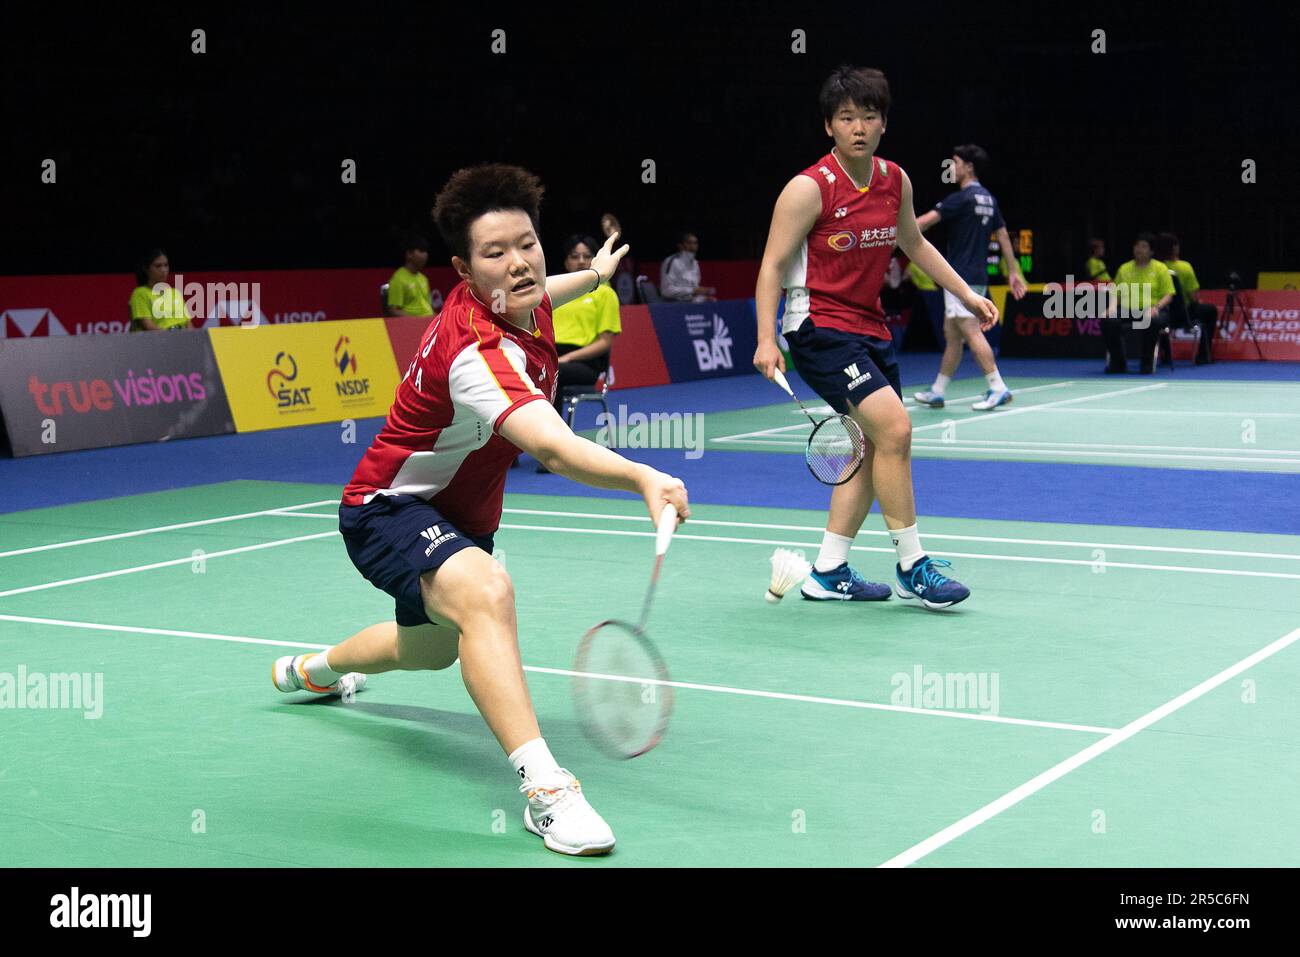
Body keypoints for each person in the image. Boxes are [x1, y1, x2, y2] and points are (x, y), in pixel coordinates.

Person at [270, 164, 689, 857]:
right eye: (495, 253)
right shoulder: (477, 351)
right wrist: (641, 473)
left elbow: (544, 290)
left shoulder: (519, 296)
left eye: (526, 243)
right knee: (487, 592)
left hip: (462, 515)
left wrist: (594, 276)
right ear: (464, 268)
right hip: (389, 506)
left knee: (426, 649)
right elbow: (553, 448)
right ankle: (547, 790)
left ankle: (316, 669)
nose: (519, 262)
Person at [753, 65, 980, 610]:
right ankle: (913, 565)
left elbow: (915, 244)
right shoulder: (809, 188)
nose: (858, 126)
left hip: (870, 328)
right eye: (846, 117)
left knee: (873, 443)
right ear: (829, 126)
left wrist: (967, 295)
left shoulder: (893, 180)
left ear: (883, 124)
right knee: (896, 430)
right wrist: (766, 337)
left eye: (869, 116)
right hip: (818, 325)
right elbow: (771, 265)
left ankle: (827, 570)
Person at [911, 145, 1027, 410]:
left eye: (954, 163)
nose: (951, 169)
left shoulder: (961, 198)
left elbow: (924, 223)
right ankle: (938, 391)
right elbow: (1004, 236)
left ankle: (997, 387)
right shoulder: (988, 198)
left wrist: (888, 233)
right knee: (952, 334)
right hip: (977, 275)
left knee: (970, 331)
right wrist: (1012, 271)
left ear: (968, 167)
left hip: (959, 277)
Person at [1101, 232, 1174, 374]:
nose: (1139, 249)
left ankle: (1146, 363)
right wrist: (1111, 308)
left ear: (1151, 251)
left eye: (1144, 246)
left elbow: (1168, 294)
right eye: (1137, 246)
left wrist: (1156, 308)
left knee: (1152, 321)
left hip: (1154, 309)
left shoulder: (1160, 268)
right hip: (1128, 309)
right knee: (1108, 320)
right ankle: (1118, 363)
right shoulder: (1124, 268)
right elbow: (1116, 292)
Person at [1155, 232, 1216, 364]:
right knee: (1211, 311)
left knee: (1164, 316)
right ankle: (1204, 356)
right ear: (1174, 248)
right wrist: (1198, 301)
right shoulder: (1184, 267)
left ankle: (1165, 354)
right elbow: (1193, 297)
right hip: (1182, 315)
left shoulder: (1155, 267)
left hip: (1160, 313)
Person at [129, 248, 192, 331]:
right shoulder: (140, 293)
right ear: (146, 269)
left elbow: (189, 325)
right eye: (158, 266)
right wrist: (173, 339)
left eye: (166, 265)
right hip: (158, 341)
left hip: (182, 339)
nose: (163, 270)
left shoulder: (175, 293)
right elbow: (149, 326)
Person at [385, 235, 436, 317]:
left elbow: (429, 307)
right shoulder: (398, 279)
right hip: (414, 325)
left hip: (429, 322)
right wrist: (415, 321)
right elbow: (393, 311)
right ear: (409, 254)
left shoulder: (424, 278)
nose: (425, 254)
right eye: (421, 250)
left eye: (426, 251)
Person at [660, 232, 716, 302]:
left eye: (695, 243)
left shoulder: (695, 264)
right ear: (680, 245)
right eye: (689, 243)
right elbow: (666, 291)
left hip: (689, 305)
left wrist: (704, 298)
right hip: (673, 304)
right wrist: (692, 290)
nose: (693, 246)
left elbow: (692, 295)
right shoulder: (672, 262)